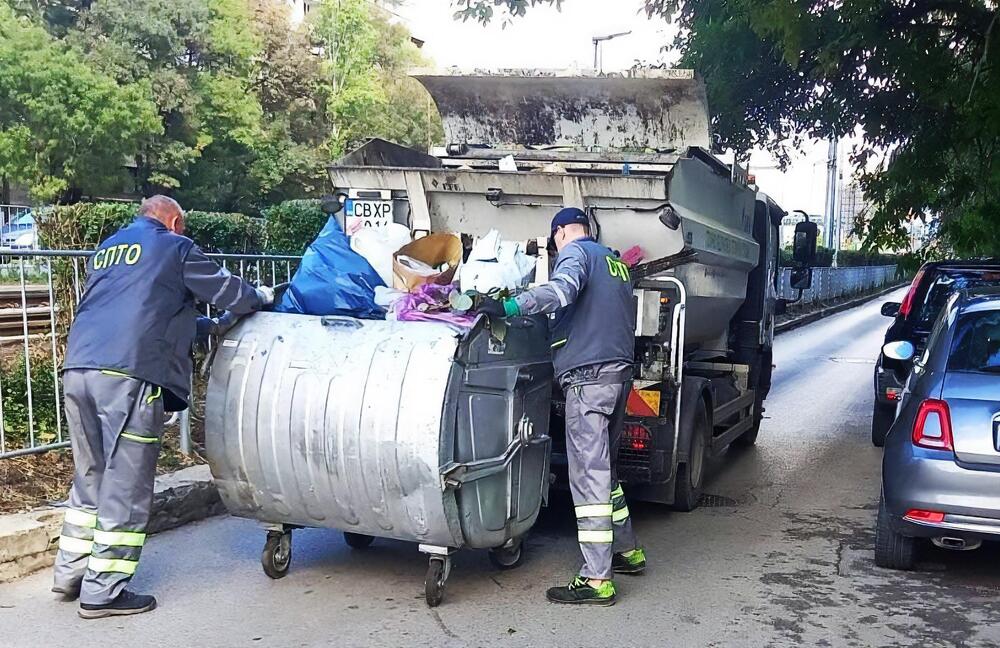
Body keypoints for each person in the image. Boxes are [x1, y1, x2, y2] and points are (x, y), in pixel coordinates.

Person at [51, 195, 274, 619]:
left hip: (79, 368)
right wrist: (257, 297)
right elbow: (228, 292)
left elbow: (144, 313)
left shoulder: (110, 247)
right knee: (126, 482)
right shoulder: (175, 247)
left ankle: (71, 573)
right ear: (174, 222)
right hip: (130, 375)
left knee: (91, 474)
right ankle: (103, 591)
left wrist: (210, 327)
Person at [477, 206, 644, 606]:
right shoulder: (614, 262)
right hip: (618, 374)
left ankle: (597, 579)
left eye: (556, 241)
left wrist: (510, 306)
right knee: (606, 472)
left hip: (588, 378)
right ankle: (627, 551)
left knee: (588, 476)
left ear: (560, 233)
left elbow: (562, 292)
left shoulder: (576, 253)